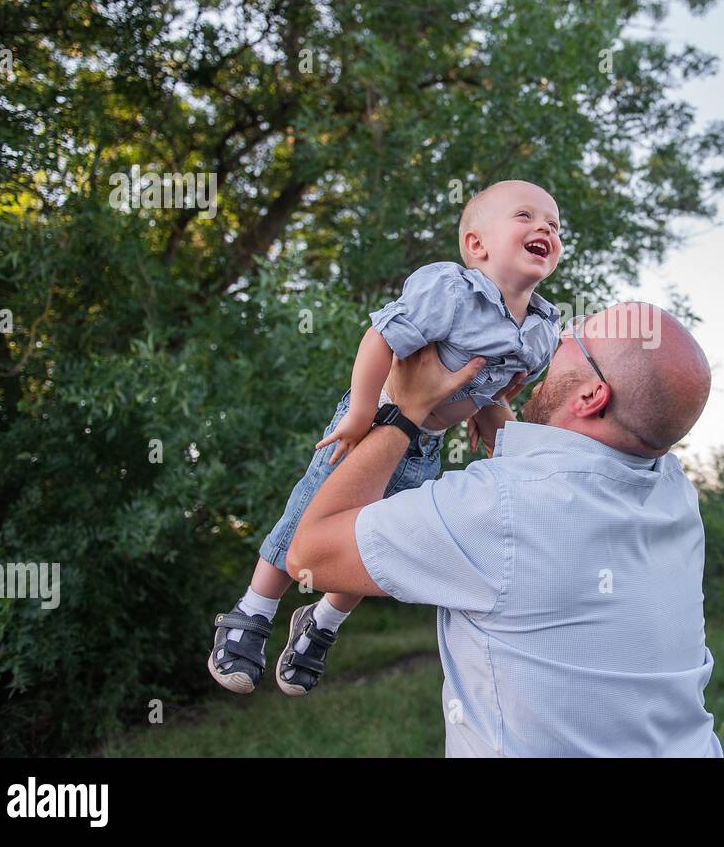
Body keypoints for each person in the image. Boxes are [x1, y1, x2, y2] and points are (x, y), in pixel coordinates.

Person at [287, 302, 723, 756]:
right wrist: (490, 402)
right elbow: (559, 489)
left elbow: (311, 556)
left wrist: (405, 409)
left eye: (575, 336)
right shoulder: (672, 494)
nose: (558, 340)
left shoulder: (498, 509)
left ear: (592, 396)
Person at [208, 180, 563, 696]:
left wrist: (493, 426)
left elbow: (498, 392)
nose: (544, 229)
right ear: (476, 245)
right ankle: (252, 612)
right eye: (525, 216)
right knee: (309, 513)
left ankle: (322, 622)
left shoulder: (541, 328)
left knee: (379, 535)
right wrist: (357, 412)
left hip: (426, 443)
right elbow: (380, 337)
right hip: (378, 419)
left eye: (553, 225)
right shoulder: (452, 292)